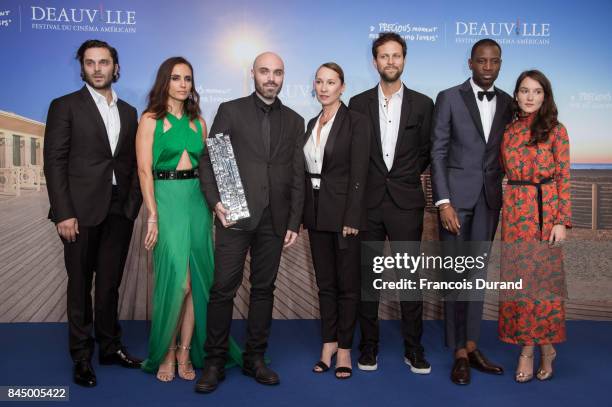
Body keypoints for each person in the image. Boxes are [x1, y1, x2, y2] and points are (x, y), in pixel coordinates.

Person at [195, 52, 305, 393]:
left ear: (283, 76)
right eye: (264, 72)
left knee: (263, 291)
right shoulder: (231, 110)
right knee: (222, 290)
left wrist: (294, 221)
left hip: (275, 221)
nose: (271, 78)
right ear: (253, 74)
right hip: (236, 216)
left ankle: (255, 358)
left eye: (277, 73)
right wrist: (216, 202)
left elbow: (297, 174)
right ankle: (214, 362)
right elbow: (211, 160)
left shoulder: (295, 120)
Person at [43, 39, 142, 387]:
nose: (97, 68)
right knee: (80, 286)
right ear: (82, 67)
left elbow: (130, 162)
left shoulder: (130, 112)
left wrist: (132, 206)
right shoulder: (65, 106)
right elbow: (54, 163)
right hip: (80, 212)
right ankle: (82, 356)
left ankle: (110, 347)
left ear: (115, 67)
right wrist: (63, 213)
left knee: (110, 285)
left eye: (104, 62)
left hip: (119, 210)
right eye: (90, 63)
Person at [137, 57, 243, 382]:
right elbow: (143, 170)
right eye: (176, 78)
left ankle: (185, 352)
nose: (183, 84)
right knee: (178, 283)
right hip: (166, 202)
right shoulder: (151, 120)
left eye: (188, 79)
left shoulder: (200, 122)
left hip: (198, 201)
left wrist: (230, 206)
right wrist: (152, 216)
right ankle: (166, 352)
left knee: (198, 282)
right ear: (164, 82)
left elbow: (214, 168)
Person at [349, 32, 433, 375]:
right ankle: (368, 347)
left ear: (404, 59)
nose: (390, 61)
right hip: (367, 203)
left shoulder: (424, 104)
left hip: (405, 203)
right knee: (368, 280)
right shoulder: (356, 103)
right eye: (384, 56)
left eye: (396, 55)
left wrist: (403, 176)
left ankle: (414, 349)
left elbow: (426, 151)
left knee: (409, 280)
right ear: (374, 62)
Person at [430, 38, 512, 385]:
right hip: (454, 202)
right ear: (470, 63)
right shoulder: (448, 97)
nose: (488, 67)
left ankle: (473, 345)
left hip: (489, 201)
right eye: (482, 61)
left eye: (494, 61)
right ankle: (458, 352)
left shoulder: (508, 102)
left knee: (475, 276)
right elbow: (438, 151)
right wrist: (443, 201)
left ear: (500, 63)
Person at [498, 70, 571, 383]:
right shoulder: (510, 130)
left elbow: (565, 176)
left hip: (544, 213)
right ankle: (538, 346)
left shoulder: (556, 130)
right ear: (516, 95)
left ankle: (534, 350)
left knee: (542, 283)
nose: (529, 97)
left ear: (545, 96)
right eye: (524, 91)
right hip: (514, 212)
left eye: (536, 91)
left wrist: (562, 221)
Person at [303, 63, 370, 379]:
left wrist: (353, 216)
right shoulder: (310, 123)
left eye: (331, 82)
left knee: (348, 287)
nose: (324, 87)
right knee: (325, 285)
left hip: (345, 217)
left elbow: (360, 173)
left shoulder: (357, 121)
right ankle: (328, 344)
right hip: (316, 216)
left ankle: (345, 348)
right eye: (319, 81)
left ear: (343, 86)